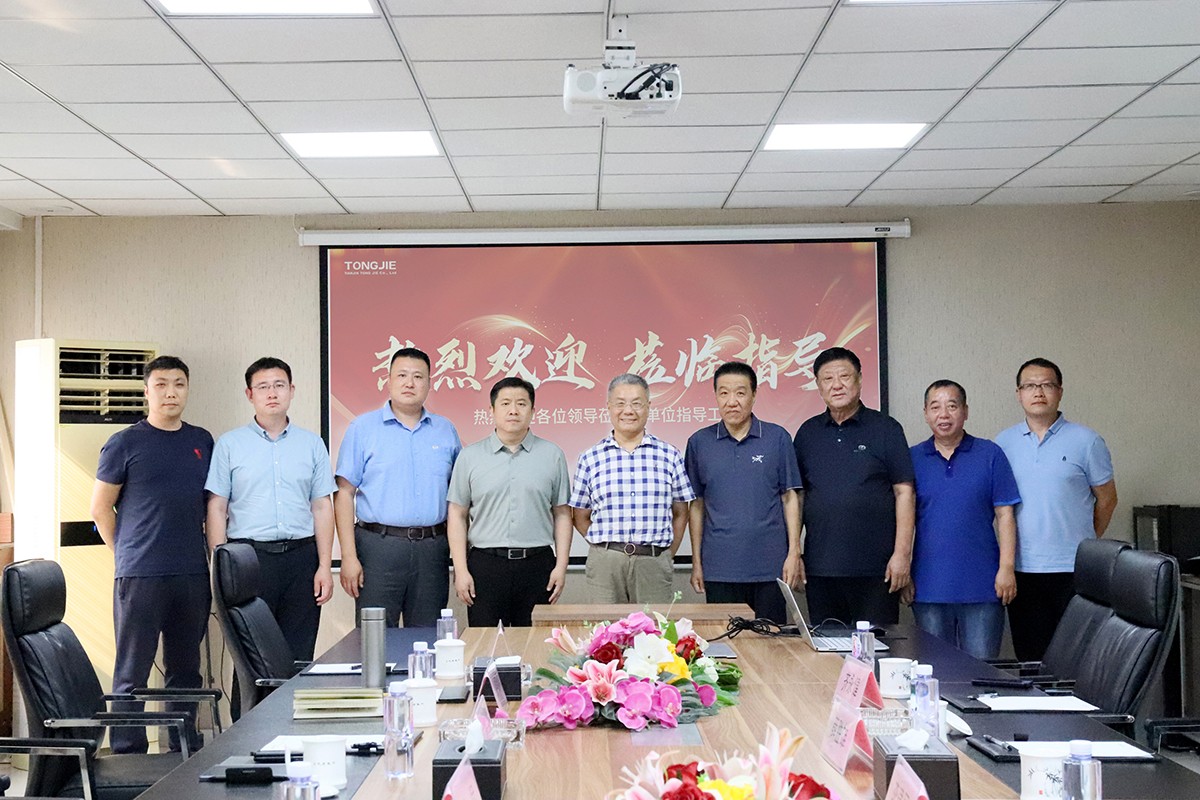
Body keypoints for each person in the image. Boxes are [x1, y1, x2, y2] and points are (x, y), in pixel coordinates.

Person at [90, 355, 212, 754]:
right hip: (140, 574)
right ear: (147, 391)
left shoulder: (201, 441)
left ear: (187, 390)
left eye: (179, 384)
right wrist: (124, 553)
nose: (170, 392)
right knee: (132, 672)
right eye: (161, 384)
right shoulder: (124, 442)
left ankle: (183, 748)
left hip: (191, 573)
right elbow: (100, 509)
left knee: (186, 671)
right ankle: (128, 753)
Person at [205, 356, 336, 666]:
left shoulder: (312, 444)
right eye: (263, 387)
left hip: (301, 560)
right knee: (251, 660)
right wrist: (221, 568)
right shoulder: (229, 444)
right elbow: (217, 508)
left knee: (298, 656)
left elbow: (322, 506)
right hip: (248, 560)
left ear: (292, 390)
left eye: (279, 385)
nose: (272, 393)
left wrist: (323, 566)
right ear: (249, 394)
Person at [996, 357, 1117, 662]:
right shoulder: (1002, 444)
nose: (1038, 392)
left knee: (1076, 659)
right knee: (1031, 658)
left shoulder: (1087, 441)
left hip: (1073, 569)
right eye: (1030, 386)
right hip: (1022, 569)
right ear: (1019, 394)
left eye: (1047, 385)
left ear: (1060, 391)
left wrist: (1084, 541)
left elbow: (1107, 500)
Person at [334, 347, 461, 627]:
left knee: (428, 637)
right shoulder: (362, 428)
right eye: (402, 375)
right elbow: (344, 493)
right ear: (388, 381)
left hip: (432, 550)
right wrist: (348, 557)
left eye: (418, 376)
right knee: (375, 637)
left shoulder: (445, 431)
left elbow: (459, 500)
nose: (409, 383)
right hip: (378, 548)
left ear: (429, 383)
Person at [792, 347, 915, 627]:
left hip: (876, 569)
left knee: (875, 647)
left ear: (859, 380)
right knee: (828, 648)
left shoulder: (886, 429)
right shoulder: (807, 433)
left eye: (844, 376)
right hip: (821, 569)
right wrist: (794, 553)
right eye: (828, 379)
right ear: (818, 386)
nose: (837, 385)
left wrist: (902, 555)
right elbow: (797, 498)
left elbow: (904, 493)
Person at [447, 377, 572, 627]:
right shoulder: (470, 457)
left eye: (521, 404)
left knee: (535, 642)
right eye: (505, 403)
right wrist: (460, 570)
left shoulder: (552, 455)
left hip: (537, 565)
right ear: (491, 410)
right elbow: (457, 514)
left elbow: (562, 514)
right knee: (485, 642)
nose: (513, 410)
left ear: (533, 411)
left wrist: (561, 566)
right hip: (486, 565)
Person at [685, 361, 802, 623]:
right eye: (724, 393)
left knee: (772, 640)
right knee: (726, 643)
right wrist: (697, 562)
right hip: (720, 567)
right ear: (716, 396)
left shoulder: (777, 438)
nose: (732, 401)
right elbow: (697, 506)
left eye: (740, 393)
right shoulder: (699, 443)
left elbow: (789, 497)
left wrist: (794, 552)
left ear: (754, 394)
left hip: (770, 566)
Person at [910, 380, 1020, 659]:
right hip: (928, 587)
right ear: (925, 413)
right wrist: (905, 573)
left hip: (983, 586)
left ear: (965, 411)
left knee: (981, 671)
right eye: (935, 407)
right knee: (934, 672)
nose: (943, 415)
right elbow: (902, 522)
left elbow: (1005, 515)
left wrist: (1007, 568)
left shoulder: (990, 454)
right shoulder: (912, 459)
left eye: (952, 406)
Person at [570, 373, 695, 604]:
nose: (628, 411)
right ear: (609, 407)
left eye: (636, 403)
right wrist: (605, 549)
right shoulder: (590, 458)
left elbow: (681, 512)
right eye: (620, 403)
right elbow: (579, 516)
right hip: (605, 566)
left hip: (653, 564)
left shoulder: (669, 455)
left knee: (654, 627)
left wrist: (667, 554)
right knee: (604, 627)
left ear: (648, 406)